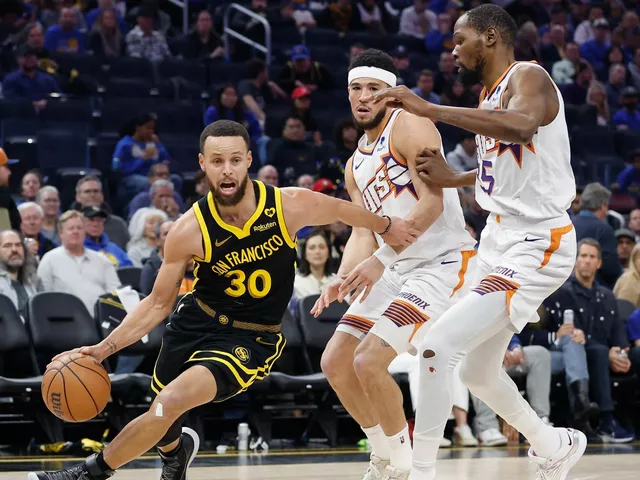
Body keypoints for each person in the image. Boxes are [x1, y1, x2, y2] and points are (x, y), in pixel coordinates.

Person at [29, 119, 419, 480]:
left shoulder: (288, 204)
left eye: (235, 160)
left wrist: (387, 226)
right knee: (162, 411)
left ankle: (88, 473)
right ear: (203, 164)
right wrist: (103, 349)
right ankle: (175, 454)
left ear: (249, 160)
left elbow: (344, 210)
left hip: (250, 336)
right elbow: (157, 304)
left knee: (169, 402)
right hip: (194, 322)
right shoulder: (188, 229)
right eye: (217, 161)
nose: (227, 170)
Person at [370, 4, 585, 479]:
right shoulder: (488, 97)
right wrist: (456, 178)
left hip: (538, 241)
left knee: (436, 346)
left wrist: (432, 111)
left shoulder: (529, 78)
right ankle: (554, 445)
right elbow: (510, 164)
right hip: (497, 239)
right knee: (475, 372)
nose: (453, 50)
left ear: (490, 37)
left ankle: (421, 472)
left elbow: (522, 126)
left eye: (459, 39)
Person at [313, 49, 477, 479]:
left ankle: (404, 466)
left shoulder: (411, 125)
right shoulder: (354, 165)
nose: (364, 96)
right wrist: (342, 278)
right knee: (335, 361)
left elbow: (433, 203)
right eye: (356, 88)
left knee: (369, 360)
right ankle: (384, 454)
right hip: (397, 269)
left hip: (442, 263)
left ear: (391, 93)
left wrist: (380, 260)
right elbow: (362, 232)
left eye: (374, 88)